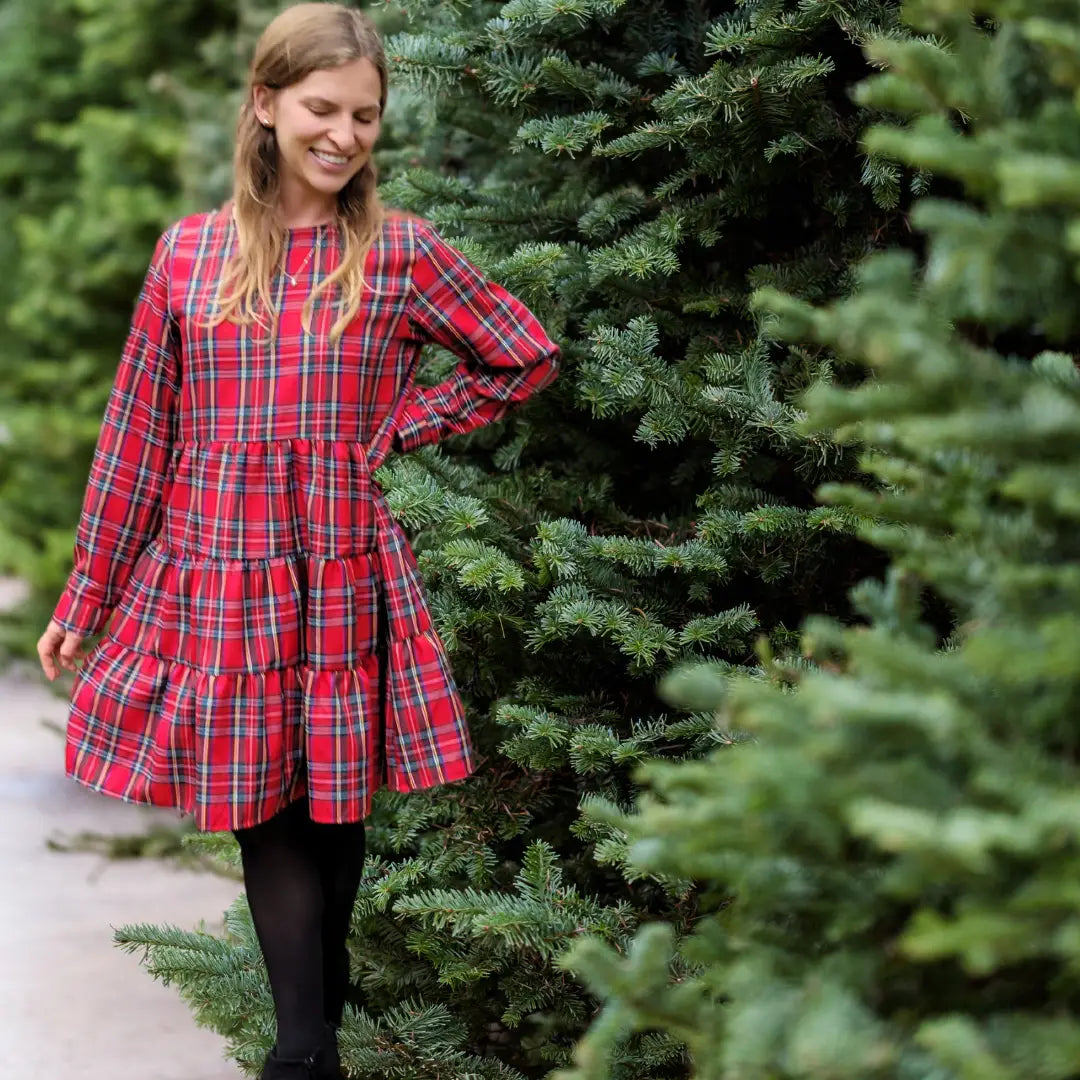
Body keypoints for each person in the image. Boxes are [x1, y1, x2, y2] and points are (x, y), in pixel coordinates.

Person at [35, 3, 561, 1077]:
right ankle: (302, 1053)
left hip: (340, 566)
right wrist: (85, 597)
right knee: (267, 807)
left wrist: (399, 428)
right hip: (220, 568)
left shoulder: (400, 252)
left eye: (365, 116)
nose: (345, 135)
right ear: (266, 105)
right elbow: (137, 437)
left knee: (332, 808)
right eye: (323, 108)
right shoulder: (191, 255)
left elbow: (523, 353)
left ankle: (313, 1033)